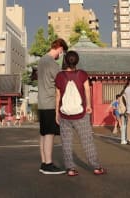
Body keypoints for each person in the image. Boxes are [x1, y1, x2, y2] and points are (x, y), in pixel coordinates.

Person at [55, 50, 106, 176]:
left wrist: (57, 113)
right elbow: (87, 91)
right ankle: (96, 167)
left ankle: (70, 169)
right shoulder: (82, 74)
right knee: (87, 140)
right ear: (77, 61)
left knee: (66, 142)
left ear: (65, 61)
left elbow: (57, 95)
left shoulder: (59, 76)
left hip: (64, 114)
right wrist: (88, 105)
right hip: (81, 113)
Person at [37, 38, 68, 175]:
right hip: (50, 102)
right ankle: (48, 164)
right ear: (60, 48)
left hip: (41, 102)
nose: (62, 54)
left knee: (43, 134)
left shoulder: (41, 60)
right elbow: (60, 82)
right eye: (62, 51)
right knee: (49, 134)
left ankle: (44, 162)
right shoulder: (52, 63)